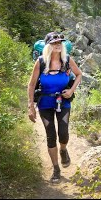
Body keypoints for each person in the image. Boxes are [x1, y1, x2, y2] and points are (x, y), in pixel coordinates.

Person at [27, 32, 82, 183]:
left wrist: (71, 91)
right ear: (48, 46)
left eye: (60, 42)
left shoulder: (67, 60)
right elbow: (31, 85)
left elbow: (79, 75)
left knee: (63, 133)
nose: (58, 45)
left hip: (63, 102)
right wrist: (30, 106)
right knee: (51, 135)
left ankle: (63, 150)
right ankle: (56, 169)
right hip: (45, 103)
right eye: (54, 43)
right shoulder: (41, 62)